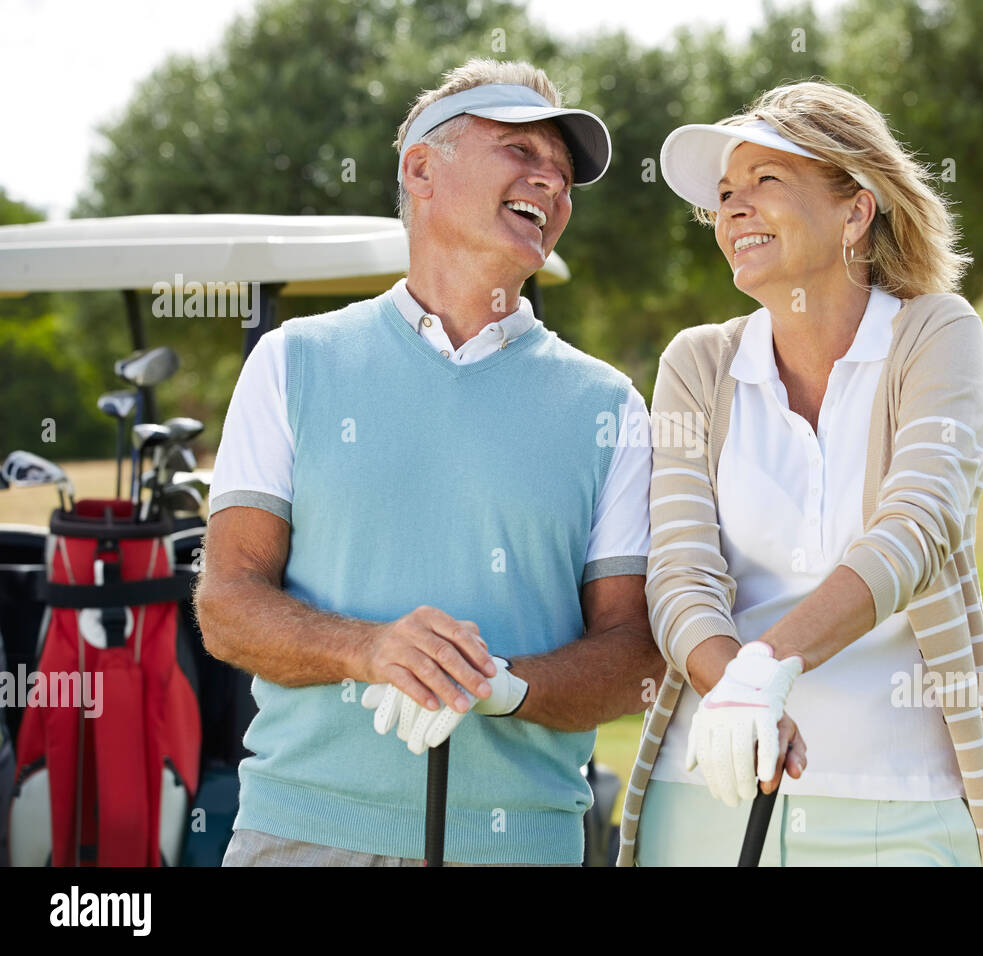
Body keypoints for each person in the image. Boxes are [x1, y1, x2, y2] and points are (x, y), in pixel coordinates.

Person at [196, 59, 662, 866]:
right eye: (522, 152)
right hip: (303, 836)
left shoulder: (609, 405)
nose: (551, 182)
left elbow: (633, 658)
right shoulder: (292, 362)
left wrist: (501, 685)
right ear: (422, 168)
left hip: (518, 847)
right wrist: (368, 650)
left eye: (563, 175)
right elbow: (228, 606)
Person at [617, 80, 983, 866]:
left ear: (856, 209)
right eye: (725, 195)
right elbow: (679, 573)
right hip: (712, 790)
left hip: (900, 802)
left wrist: (765, 666)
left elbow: (918, 525)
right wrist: (736, 693)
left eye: (766, 181)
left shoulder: (934, 333)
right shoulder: (696, 364)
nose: (734, 209)